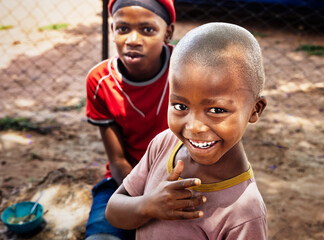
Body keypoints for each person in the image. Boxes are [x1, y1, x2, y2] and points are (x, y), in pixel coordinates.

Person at [105, 22, 268, 239]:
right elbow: (113, 212)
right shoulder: (164, 144)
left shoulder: (245, 213)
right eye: (181, 106)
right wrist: (148, 205)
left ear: (254, 110)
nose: (194, 127)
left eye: (217, 110)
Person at [85, 0, 176, 239]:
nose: (132, 40)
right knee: (101, 236)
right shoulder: (100, 81)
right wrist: (146, 203)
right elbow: (117, 160)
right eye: (123, 28)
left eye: (147, 30)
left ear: (168, 32)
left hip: (179, 179)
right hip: (125, 181)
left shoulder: (185, 70)